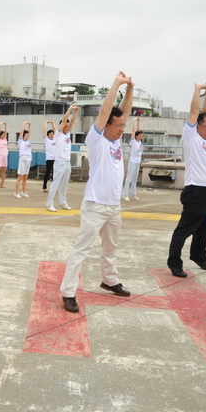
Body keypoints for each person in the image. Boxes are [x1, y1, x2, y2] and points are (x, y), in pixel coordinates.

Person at [61, 72, 135, 313]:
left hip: (113, 206)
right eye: (119, 126)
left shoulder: (116, 141)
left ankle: (109, 280)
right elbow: (105, 112)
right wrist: (116, 83)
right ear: (107, 126)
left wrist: (130, 89)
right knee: (81, 249)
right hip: (95, 205)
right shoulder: (96, 139)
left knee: (111, 246)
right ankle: (68, 292)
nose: (122, 129)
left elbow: (124, 112)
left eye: (124, 126)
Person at [167, 83, 206, 278]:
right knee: (186, 228)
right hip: (197, 189)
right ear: (197, 126)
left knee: (204, 227)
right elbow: (195, 111)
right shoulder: (191, 136)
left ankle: (199, 256)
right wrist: (198, 90)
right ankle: (174, 263)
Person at [46, 105, 79, 212]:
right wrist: (69, 110)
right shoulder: (58, 134)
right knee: (55, 183)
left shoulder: (68, 134)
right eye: (66, 126)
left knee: (64, 184)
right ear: (62, 126)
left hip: (67, 162)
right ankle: (49, 203)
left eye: (68, 126)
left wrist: (76, 111)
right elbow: (65, 120)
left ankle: (62, 202)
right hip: (59, 162)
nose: (68, 127)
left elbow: (73, 121)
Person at [122, 118, 143, 201]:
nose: (141, 137)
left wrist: (138, 121)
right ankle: (125, 194)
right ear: (136, 136)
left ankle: (133, 194)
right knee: (129, 178)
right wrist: (134, 121)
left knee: (135, 179)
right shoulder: (133, 141)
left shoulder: (140, 142)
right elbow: (134, 131)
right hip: (132, 162)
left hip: (138, 162)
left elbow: (138, 130)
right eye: (140, 136)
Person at [14, 122, 32, 198]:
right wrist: (24, 124)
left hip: (28, 159)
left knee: (25, 176)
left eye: (28, 135)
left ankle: (24, 191)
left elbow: (29, 132)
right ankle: (16, 192)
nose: (27, 136)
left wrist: (29, 125)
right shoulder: (21, 141)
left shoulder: (28, 141)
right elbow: (21, 132)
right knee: (20, 176)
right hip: (23, 159)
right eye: (26, 135)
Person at [42, 121, 55, 192]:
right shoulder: (46, 140)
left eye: (52, 134)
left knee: (55, 173)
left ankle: (53, 187)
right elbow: (44, 130)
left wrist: (52, 124)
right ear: (48, 135)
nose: (52, 135)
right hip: (49, 158)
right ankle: (44, 186)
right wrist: (46, 123)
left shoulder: (55, 139)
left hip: (55, 158)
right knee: (48, 172)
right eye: (50, 134)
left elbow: (56, 130)